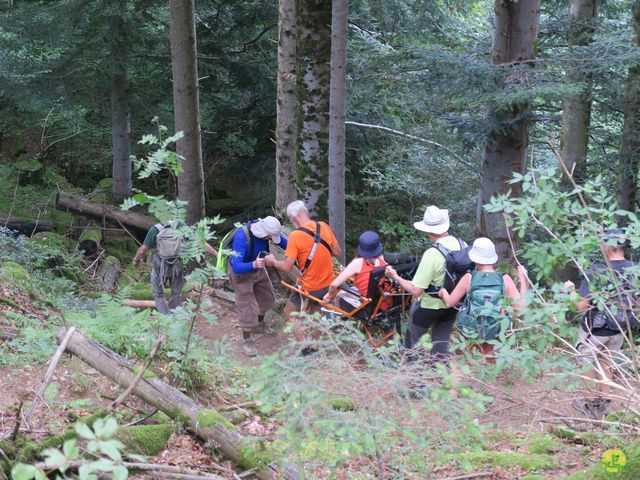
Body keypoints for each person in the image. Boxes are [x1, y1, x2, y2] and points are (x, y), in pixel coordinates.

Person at [563, 228, 638, 418]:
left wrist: (570, 290)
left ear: (607, 247)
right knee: (606, 362)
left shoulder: (597, 271)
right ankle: (603, 404)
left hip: (595, 330)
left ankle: (590, 405)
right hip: (621, 328)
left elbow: (580, 306)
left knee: (586, 363)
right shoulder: (634, 270)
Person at [385, 205, 464, 365]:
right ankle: (442, 379)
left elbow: (416, 291)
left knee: (413, 339)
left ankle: (416, 382)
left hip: (430, 306)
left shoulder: (432, 254)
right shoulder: (462, 245)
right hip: (453, 304)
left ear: (428, 231)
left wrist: (395, 277)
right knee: (441, 342)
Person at [264, 200, 342, 350]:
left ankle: (304, 347)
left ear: (292, 218)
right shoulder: (323, 226)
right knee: (315, 314)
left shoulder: (295, 236)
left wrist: (273, 262)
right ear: (305, 212)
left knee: (290, 312)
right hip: (328, 284)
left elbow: (287, 268)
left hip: (309, 286)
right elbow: (337, 252)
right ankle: (315, 348)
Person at [438, 237, 528, 363]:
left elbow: (449, 303)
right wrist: (523, 281)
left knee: (468, 367)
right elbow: (522, 308)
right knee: (489, 368)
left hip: (470, 333)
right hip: (495, 334)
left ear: (474, 257)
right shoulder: (505, 279)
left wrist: (443, 293)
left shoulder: (469, 278)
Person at [228, 216, 288, 357]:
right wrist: (253, 264)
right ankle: (247, 339)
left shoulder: (268, 232)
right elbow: (236, 266)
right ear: (264, 233)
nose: (271, 240)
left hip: (258, 269)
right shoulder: (242, 237)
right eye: (270, 237)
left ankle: (259, 325)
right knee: (247, 306)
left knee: (268, 299)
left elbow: (287, 244)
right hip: (242, 273)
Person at [132, 220, 217, 315]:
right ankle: (174, 316)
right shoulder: (181, 226)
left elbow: (142, 251)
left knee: (158, 294)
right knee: (176, 293)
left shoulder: (155, 229)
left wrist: (136, 261)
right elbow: (200, 242)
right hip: (177, 267)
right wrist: (216, 254)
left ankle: (166, 317)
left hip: (160, 268)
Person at [322, 231, 389, 313]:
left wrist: (329, 295)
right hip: (382, 301)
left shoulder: (358, 263)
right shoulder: (385, 260)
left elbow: (334, 285)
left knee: (340, 294)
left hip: (367, 303)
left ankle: (339, 319)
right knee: (351, 288)